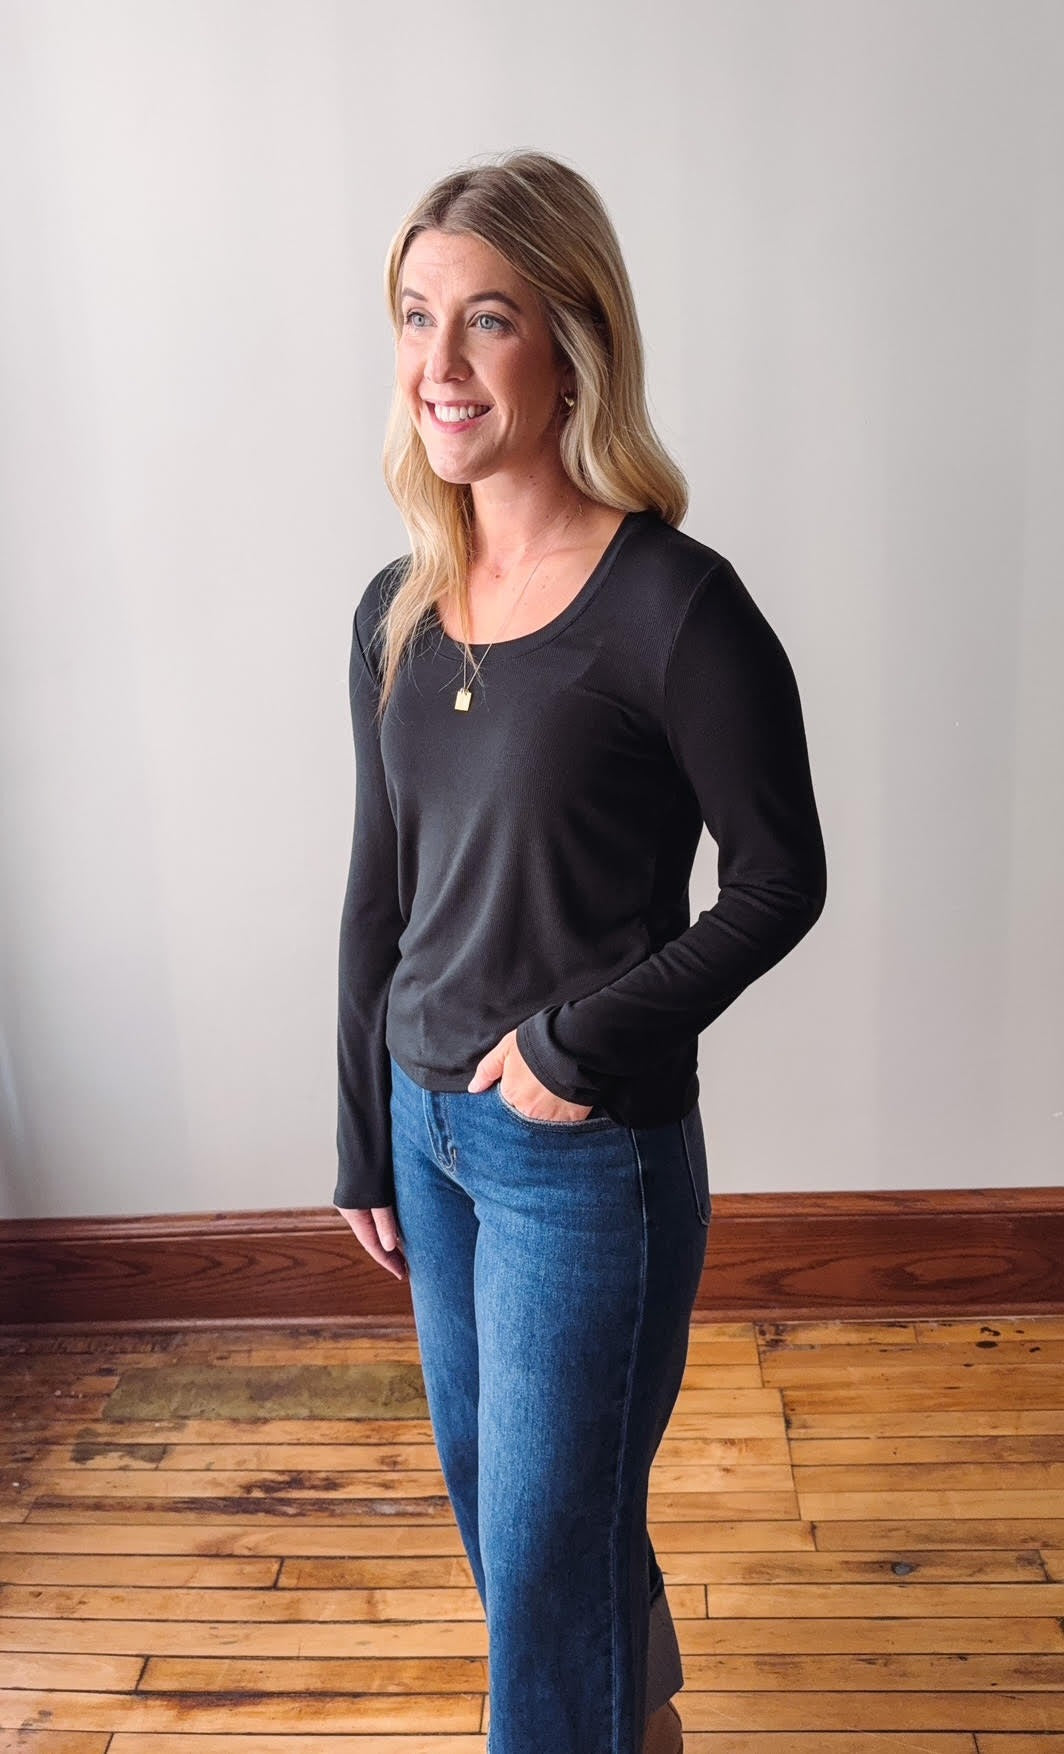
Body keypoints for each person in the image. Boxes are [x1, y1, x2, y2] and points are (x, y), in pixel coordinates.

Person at [333, 150, 827, 1754]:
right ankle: (641, 1721)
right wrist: (361, 1133)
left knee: (546, 1552)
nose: (441, 363)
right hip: (427, 1132)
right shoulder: (397, 608)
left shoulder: (676, 607)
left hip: (580, 1151)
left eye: (488, 319)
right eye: (418, 317)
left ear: (571, 345)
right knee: (518, 1519)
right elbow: (378, 891)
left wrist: (571, 1044)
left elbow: (781, 880)